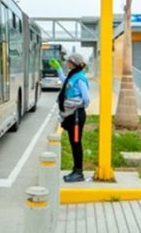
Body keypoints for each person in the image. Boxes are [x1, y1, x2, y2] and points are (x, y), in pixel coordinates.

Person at [49, 52, 90, 183]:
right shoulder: (72, 76)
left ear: (74, 63)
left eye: (69, 62)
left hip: (77, 115)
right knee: (73, 142)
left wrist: (76, 105)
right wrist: (58, 68)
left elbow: (87, 99)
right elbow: (64, 80)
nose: (67, 63)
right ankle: (75, 169)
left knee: (76, 142)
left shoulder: (80, 78)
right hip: (72, 115)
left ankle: (79, 172)